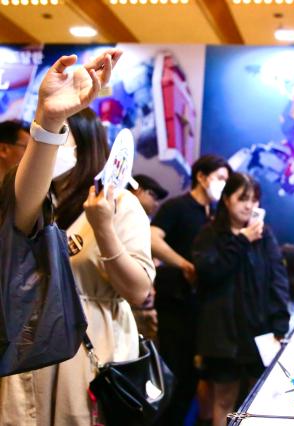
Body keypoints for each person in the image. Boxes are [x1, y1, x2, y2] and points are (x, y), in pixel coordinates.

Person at [0, 50, 149, 426]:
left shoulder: (119, 204)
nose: (52, 148)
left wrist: (103, 228)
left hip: (92, 350)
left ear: (84, 146)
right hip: (29, 346)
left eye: (63, 136)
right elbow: (19, 214)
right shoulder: (36, 194)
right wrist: (48, 119)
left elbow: (139, 292)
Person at [192, 172, 290, 426]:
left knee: (259, 400)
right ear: (226, 199)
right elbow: (209, 272)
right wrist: (242, 240)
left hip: (259, 332)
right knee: (223, 400)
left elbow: (278, 279)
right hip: (222, 336)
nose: (250, 205)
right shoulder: (209, 235)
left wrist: (280, 322)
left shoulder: (265, 235)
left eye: (255, 200)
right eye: (242, 198)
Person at [151, 154, 230, 426]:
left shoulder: (215, 216)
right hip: (174, 301)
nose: (223, 185)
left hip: (201, 307)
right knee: (174, 373)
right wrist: (184, 265)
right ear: (201, 176)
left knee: (192, 380)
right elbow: (152, 239)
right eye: (220, 178)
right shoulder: (177, 206)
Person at [127, 174, 168, 341]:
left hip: (146, 304)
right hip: (127, 303)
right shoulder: (119, 215)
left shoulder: (145, 222)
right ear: (137, 190)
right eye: (152, 195)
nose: (156, 203)